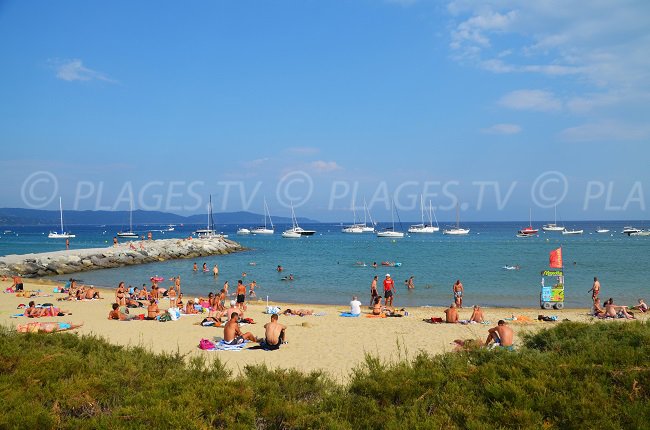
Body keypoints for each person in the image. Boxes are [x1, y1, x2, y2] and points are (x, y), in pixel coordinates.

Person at [17, 321, 83, 333]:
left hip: (46, 326)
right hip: (47, 327)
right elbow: (61, 329)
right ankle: (78, 325)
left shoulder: (31, 327)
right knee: (66, 326)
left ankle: (77, 325)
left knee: (64, 325)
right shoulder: (36, 329)